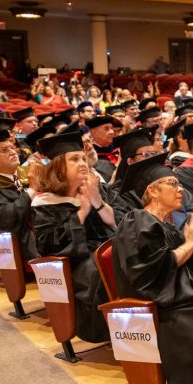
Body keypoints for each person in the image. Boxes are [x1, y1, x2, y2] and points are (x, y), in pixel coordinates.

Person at [112, 154, 193, 384]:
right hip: (167, 310)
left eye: (180, 184)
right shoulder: (137, 220)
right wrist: (191, 242)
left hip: (185, 301)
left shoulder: (168, 228)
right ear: (152, 191)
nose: (180, 189)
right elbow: (152, 273)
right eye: (173, 183)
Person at [31, 132, 116, 343]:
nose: (82, 163)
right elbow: (48, 245)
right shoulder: (46, 204)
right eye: (74, 159)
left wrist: (96, 201)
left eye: (83, 158)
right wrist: (82, 212)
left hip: (104, 251)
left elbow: (118, 224)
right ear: (58, 167)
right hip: (78, 264)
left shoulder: (97, 190)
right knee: (107, 268)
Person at [0, 130, 41, 262]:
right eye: (5, 150)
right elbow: (8, 219)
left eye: (11, 147)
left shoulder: (26, 173)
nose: (13, 152)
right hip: (23, 245)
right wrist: (32, 189)